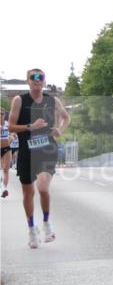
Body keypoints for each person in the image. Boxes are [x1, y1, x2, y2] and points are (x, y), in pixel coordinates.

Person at [7, 69, 71, 248]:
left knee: (42, 188)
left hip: (47, 150)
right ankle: (31, 229)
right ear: (27, 81)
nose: (37, 81)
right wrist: (31, 126)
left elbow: (66, 118)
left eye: (40, 77)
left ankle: (46, 224)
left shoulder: (53, 100)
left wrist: (60, 130)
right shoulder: (19, 100)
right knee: (28, 192)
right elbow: (11, 126)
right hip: (27, 151)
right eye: (33, 78)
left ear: (44, 81)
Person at [1, 111, 12, 198]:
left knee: (6, 169)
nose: (1, 115)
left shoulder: (8, 124)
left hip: (7, 148)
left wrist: (12, 136)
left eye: (2, 114)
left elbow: (14, 132)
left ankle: (4, 188)